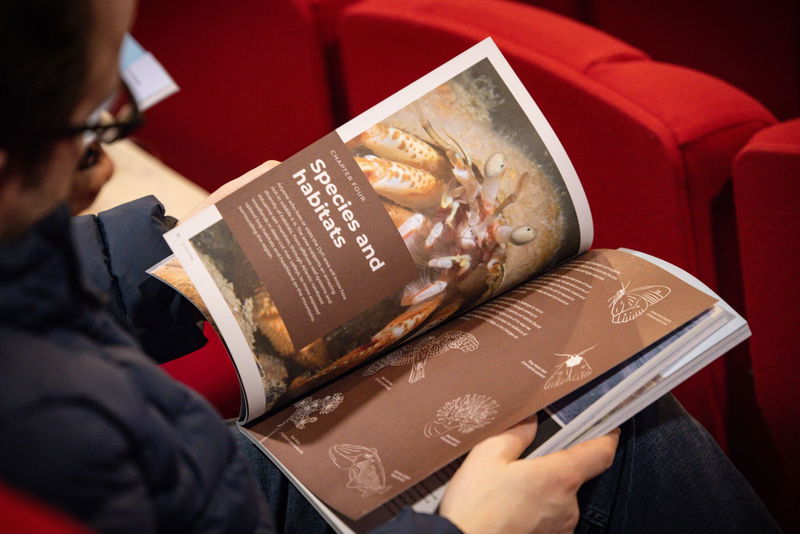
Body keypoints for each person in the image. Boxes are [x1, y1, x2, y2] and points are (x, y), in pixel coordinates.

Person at [0, 1, 781, 533]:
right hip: (208, 483)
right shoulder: (48, 442)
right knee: (611, 428)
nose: (106, 166)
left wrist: (167, 257)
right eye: (98, 125)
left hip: (190, 463)